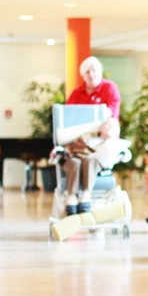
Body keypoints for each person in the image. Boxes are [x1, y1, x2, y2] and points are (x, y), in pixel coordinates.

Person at [60, 57, 122, 213]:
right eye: (87, 72)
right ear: (83, 75)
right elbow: (68, 118)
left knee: (90, 160)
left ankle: (86, 195)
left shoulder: (109, 88)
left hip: (101, 142)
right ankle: (72, 197)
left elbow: (112, 116)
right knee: (75, 161)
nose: (91, 74)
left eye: (94, 70)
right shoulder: (76, 93)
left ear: (100, 71)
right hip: (79, 142)